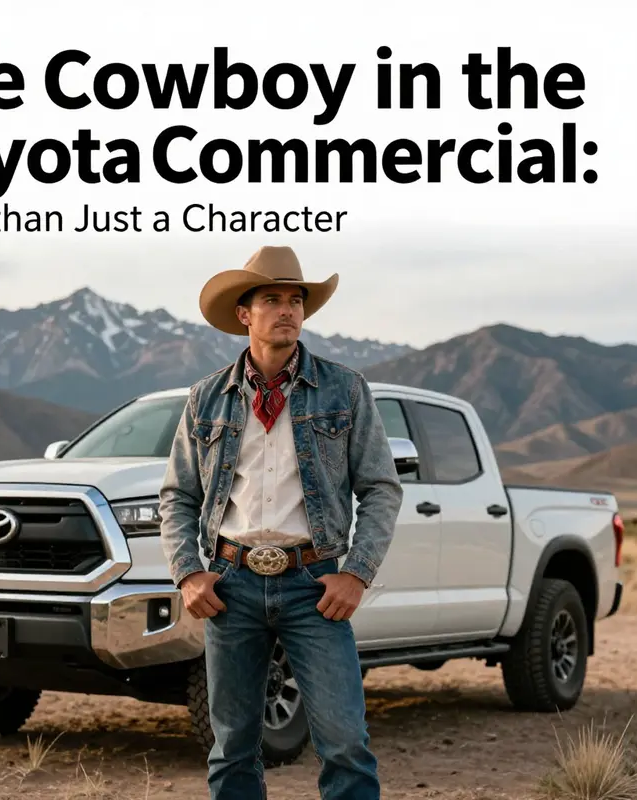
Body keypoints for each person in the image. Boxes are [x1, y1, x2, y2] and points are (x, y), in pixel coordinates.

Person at [158, 245, 404, 799]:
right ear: (244, 313)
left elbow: (382, 489)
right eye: (272, 299)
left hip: (314, 586)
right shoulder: (207, 399)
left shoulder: (345, 389)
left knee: (345, 743)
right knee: (232, 748)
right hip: (231, 585)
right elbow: (177, 496)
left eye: (296, 299)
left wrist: (356, 574)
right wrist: (188, 574)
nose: (288, 309)